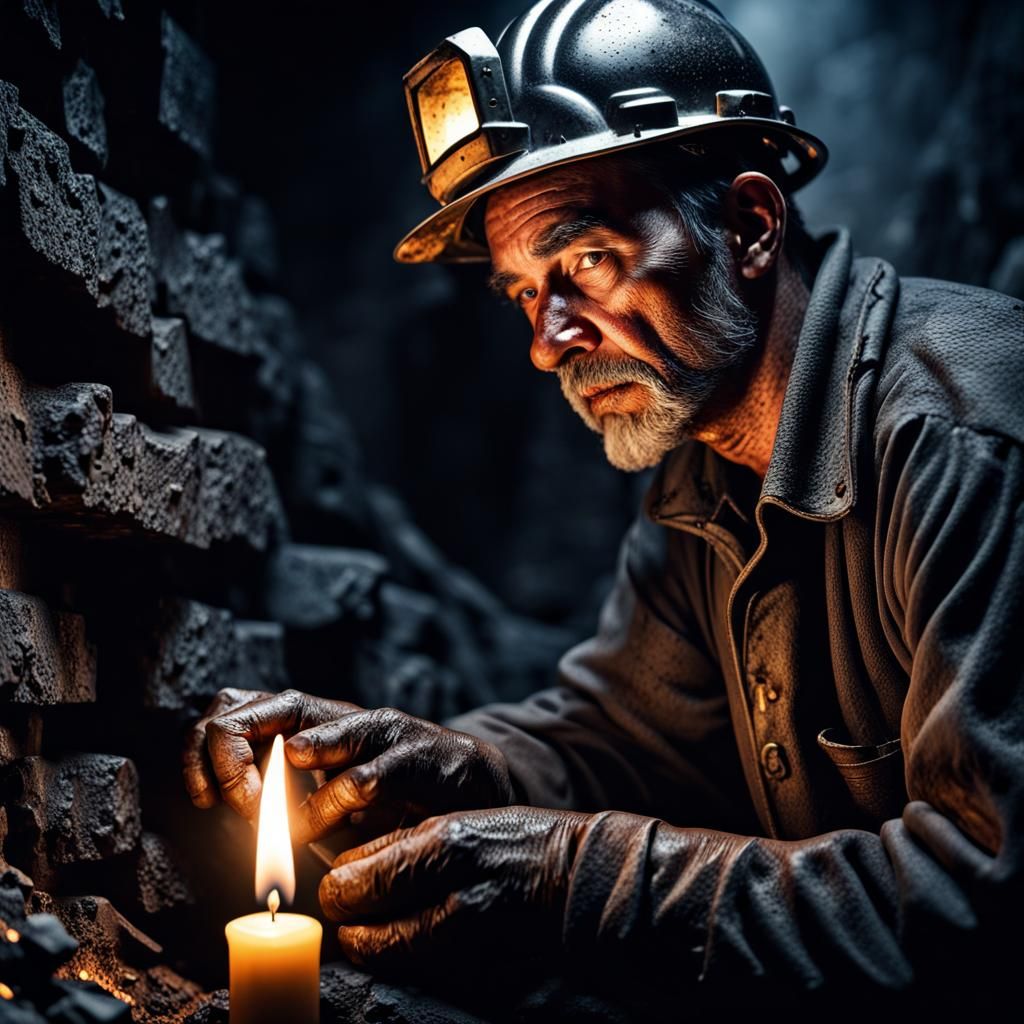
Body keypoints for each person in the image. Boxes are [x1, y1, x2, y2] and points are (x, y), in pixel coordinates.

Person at [183, 0, 1024, 1005]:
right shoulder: (705, 466)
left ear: (750, 226)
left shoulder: (962, 434)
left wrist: (566, 874)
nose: (548, 342)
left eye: (583, 262)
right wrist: (447, 764)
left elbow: (986, 894)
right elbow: (628, 744)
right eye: (522, 293)